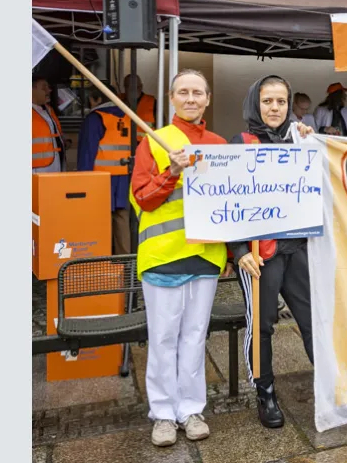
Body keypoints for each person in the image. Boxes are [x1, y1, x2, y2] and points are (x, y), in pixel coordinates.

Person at [129, 70, 227, 447]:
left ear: (207, 99)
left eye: (197, 92)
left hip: (205, 257)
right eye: (183, 92)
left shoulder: (218, 144)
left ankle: (191, 409)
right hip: (163, 257)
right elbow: (143, 198)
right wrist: (170, 171)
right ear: (172, 98)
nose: (191, 98)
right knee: (164, 338)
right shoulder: (153, 142)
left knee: (194, 337)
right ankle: (164, 415)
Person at [224, 75, 316, 428]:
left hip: (299, 249)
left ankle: (327, 383)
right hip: (260, 255)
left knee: (312, 321)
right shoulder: (241, 142)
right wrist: (237, 250)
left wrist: (311, 141)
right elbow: (226, 198)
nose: (275, 108)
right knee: (261, 325)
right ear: (255, 104)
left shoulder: (301, 138)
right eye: (267, 101)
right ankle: (265, 392)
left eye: (281, 102)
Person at [76, 88, 132, 255]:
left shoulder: (95, 118)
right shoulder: (128, 116)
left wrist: (82, 182)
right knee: (122, 220)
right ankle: (124, 263)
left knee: (100, 220)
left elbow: (87, 152)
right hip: (124, 177)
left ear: (97, 98)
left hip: (99, 178)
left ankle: (101, 260)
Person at [32, 75, 66, 173]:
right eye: (44, 88)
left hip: (55, 168)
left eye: (48, 87)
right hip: (37, 171)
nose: (49, 90)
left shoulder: (48, 110)